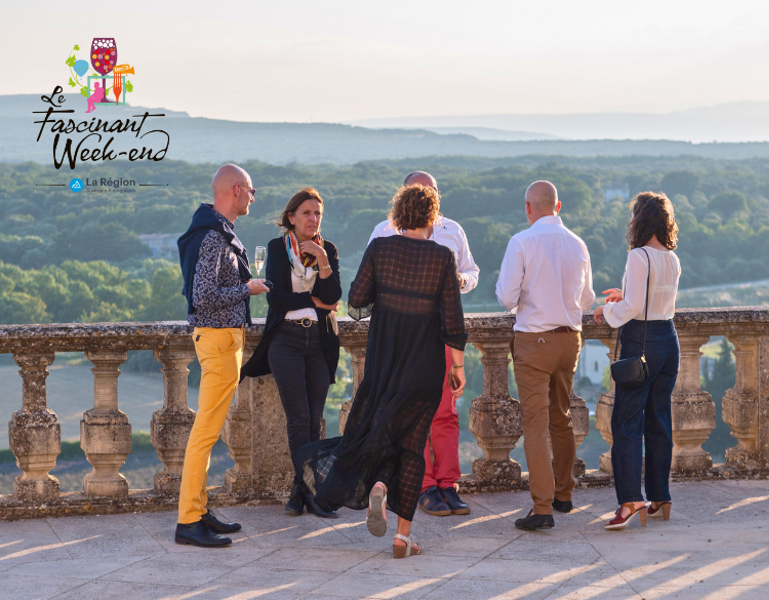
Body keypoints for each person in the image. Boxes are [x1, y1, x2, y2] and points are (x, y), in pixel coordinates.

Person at [294, 183, 467, 558]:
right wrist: (458, 366)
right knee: (411, 446)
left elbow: (356, 303)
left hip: (384, 362)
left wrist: (389, 297)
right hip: (424, 365)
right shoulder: (442, 257)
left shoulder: (381, 248)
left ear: (399, 215)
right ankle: (403, 536)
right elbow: (453, 323)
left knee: (379, 432)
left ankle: (378, 486)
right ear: (433, 217)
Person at [368, 170, 479, 518]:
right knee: (412, 414)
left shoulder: (453, 230)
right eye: (419, 192)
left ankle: (448, 484)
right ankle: (424, 485)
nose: (426, 198)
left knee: (445, 413)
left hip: (441, 330)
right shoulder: (384, 232)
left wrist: (459, 280)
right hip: (403, 338)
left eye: (430, 192)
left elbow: (473, 272)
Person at [175, 164, 270, 547]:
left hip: (222, 341)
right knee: (204, 436)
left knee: (209, 434)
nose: (252, 197)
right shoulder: (215, 237)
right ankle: (187, 522)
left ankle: (198, 511)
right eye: (251, 190)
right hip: (217, 341)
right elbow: (204, 297)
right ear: (235, 190)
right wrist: (248, 289)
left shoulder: (217, 231)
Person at [496, 180, 595, 531]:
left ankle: (542, 507)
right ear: (559, 205)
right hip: (570, 340)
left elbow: (506, 298)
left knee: (535, 426)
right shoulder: (578, 243)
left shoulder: (522, 242)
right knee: (562, 417)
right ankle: (564, 494)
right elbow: (586, 301)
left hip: (534, 340)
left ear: (528, 208)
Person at [240, 188, 342, 519]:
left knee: (315, 418)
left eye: (318, 214)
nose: (313, 219)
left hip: (321, 342)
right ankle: (310, 492)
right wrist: (316, 301)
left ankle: (302, 491)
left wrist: (324, 263)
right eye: (307, 213)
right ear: (292, 218)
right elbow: (277, 299)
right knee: (298, 417)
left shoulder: (329, 250)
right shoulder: (277, 247)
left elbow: (336, 294)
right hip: (286, 340)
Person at [594, 191, 681, 531]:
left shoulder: (638, 255)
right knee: (659, 420)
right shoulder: (671, 258)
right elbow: (651, 297)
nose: (630, 222)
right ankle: (660, 496)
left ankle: (631, 500)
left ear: (640, 220)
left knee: (626, 424)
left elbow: (632, 309)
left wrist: (606, 309)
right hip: (668, 340)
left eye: (633, 216)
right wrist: (624, 294)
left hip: (640, 340)